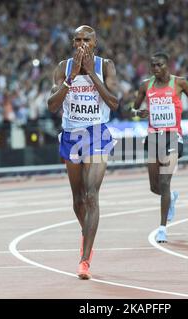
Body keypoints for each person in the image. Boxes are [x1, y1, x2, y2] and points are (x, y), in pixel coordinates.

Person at [47, 25, 119, 279]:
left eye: (86, 39)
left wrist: (90, 74)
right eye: (76, 39)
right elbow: (52, 105)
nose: (81, 43)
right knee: (77, 200)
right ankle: (88, 234)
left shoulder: (105, 65)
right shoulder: (63, 67)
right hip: (71, 134)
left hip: (97, 132)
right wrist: (72, 77)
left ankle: (84, 260)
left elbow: (114, 102)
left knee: (91, 195)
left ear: (94, 42)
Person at [132, 52, 188, 243]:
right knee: (155, 187)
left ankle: (162, 228)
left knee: (165, 181)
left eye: (159, 65)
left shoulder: (180, 83)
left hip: (173, 136)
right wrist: (139, 112)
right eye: (153, 66)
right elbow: (133, 109)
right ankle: (171, 198)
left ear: (167, 65)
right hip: (153, 137)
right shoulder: (146, 85)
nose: (156, 69)